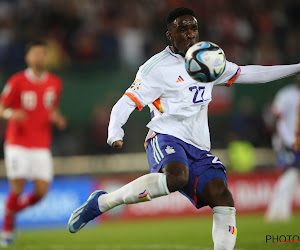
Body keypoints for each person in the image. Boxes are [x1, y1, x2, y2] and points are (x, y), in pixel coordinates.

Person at [68, 7, 300, 250]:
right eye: (182, 29)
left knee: (222, 196)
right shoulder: (155, 68)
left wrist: (296, 67)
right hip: (165, 135)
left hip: (198, 145)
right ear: (170, 35)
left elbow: (249, 73)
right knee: (177, 177)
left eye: (193, 28)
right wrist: (115, 131)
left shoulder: (208, 60)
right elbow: (125, 102)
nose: (189, 34)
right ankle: (103, 203)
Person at [0, 40, 67, 246]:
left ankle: (10, 213)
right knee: (18, 187)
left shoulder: (55, 83)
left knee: (41, 192)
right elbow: (2, 108)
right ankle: (8, 227)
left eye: (43, 54)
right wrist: (12, 113)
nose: (40, 57)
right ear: (28, 58)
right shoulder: (17, 80)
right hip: (17, 142)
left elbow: (50, 108)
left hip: (41, 143)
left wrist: (57, 117)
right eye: (36, 54)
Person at [264, 75, 300, 222]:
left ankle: (280, 211)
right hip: (286, 140)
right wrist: (279, 140)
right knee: (290, 173)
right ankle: (276, 212)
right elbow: (274, 118)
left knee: (291, 176)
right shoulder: (286, 94)